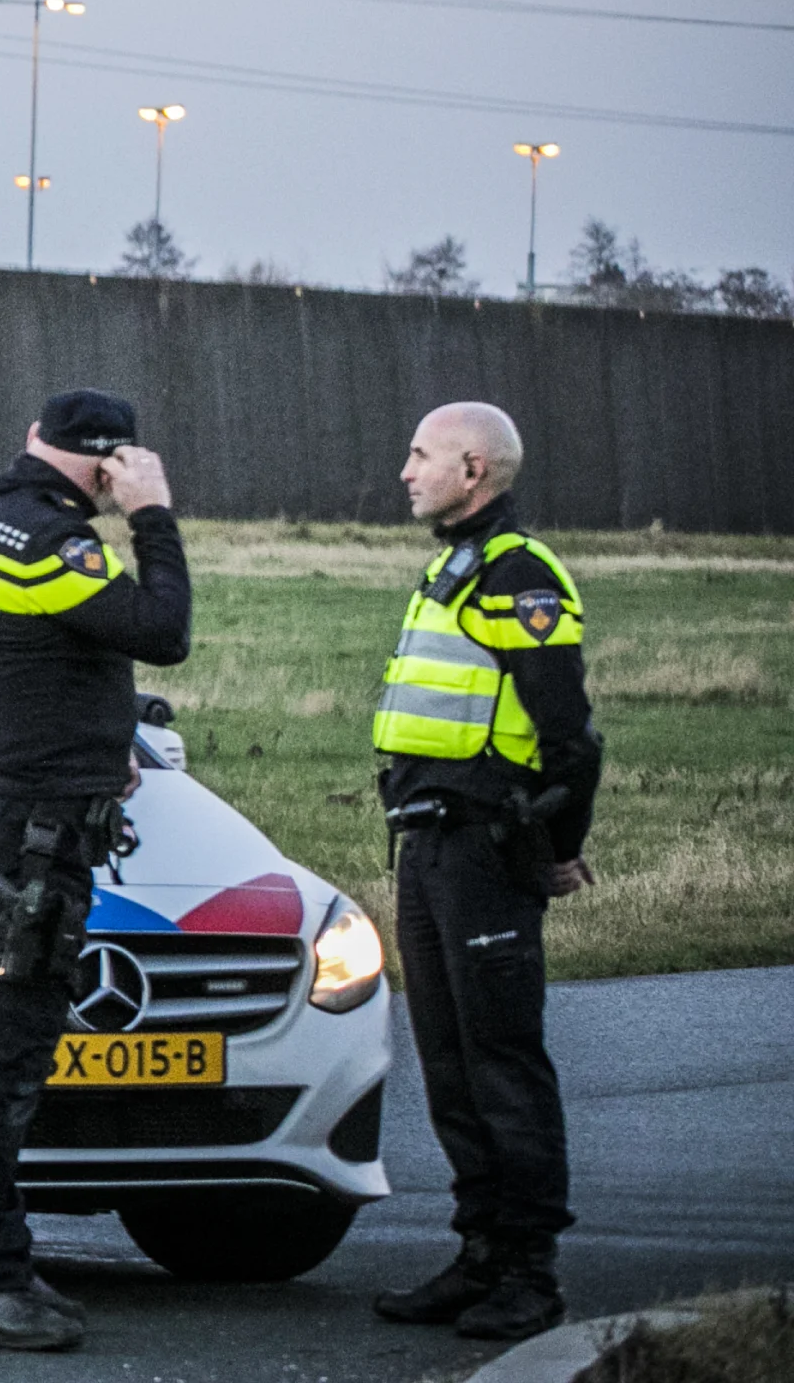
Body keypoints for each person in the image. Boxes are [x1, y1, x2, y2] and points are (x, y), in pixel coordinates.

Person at [0, 388, 192, 1353]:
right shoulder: (54, 544)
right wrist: (151, 513)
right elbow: (163, 628)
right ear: (107, 462)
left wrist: (102, 724)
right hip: (24, 841)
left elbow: (21, 657)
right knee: (2, 1060)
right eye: (123, 469)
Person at [369, 400, 599, 1345]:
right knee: (449, 1065)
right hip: (425, 844)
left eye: (420, 455)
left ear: (474, 470)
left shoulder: (520, 574)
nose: (405, 470)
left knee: (501, 1064)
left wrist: (555, 848)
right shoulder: (451, 567)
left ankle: (529, 1276)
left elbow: (571, 739)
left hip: (483, 847)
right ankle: (479, 1256)